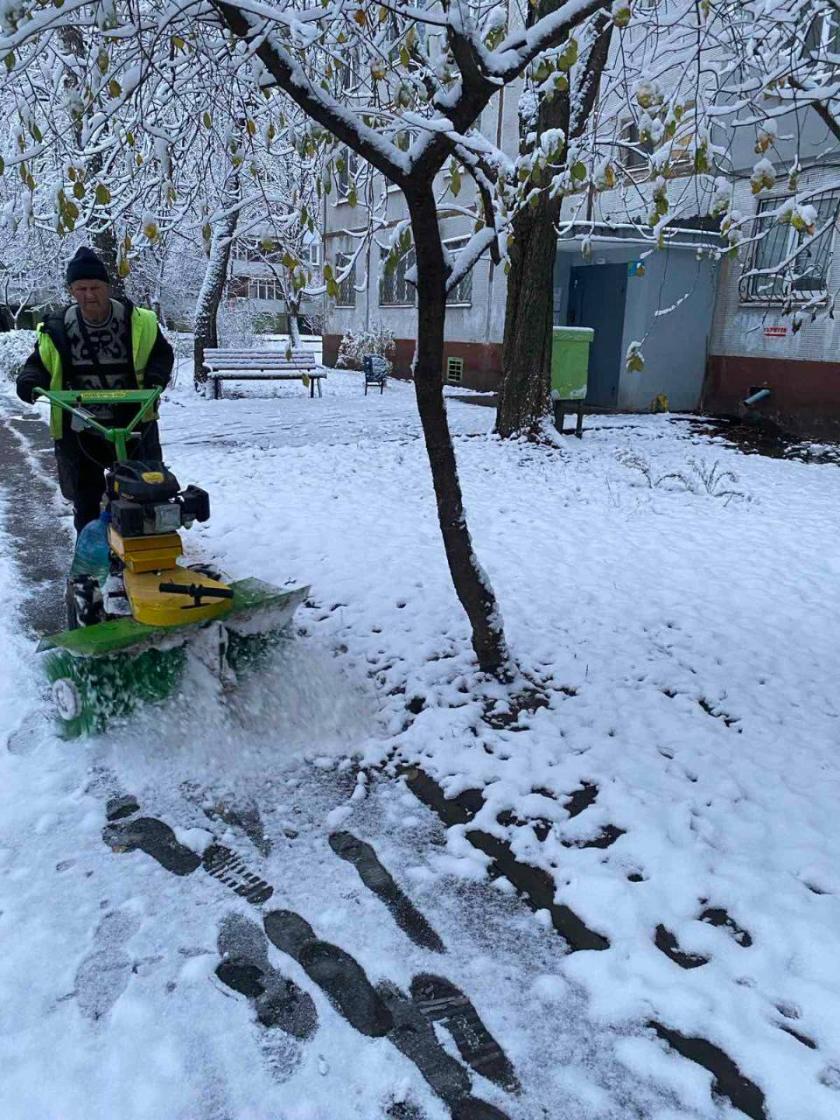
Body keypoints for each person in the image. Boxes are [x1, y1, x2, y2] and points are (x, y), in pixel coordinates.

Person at [17, 246, 174, 533]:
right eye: (81, 288)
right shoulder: (58, 327)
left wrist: (155, 377)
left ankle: (141, 549)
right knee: (86, 497)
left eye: (95, 287)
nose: (89, 295)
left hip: (134, 420)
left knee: (143, 490)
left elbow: (161, 354)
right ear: (72, 291)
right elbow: (39, 362)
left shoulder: (139, 321)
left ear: (107, 287)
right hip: (81, 425)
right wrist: (30, 381)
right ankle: (91, 558)